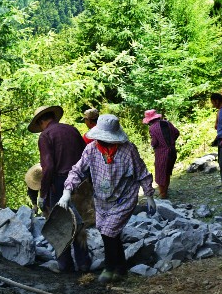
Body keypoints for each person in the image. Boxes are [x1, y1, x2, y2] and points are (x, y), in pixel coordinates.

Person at [57, 114, 156, 284]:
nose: (103, 143)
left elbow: (142, 173)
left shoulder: (128, 150)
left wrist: (149, 195)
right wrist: (67, 192)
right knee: (107, 233)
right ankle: (122, 268)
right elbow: (77, 171)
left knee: (109, 232)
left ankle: (110, 268)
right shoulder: (91, 150)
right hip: (102, 199)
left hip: (123, 198)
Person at [28, 105, 92, 272]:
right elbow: (86, 156)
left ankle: (65, 264)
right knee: (79, 222)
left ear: (42, 121)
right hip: (80, 180)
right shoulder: (72, 130)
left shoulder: (45, 136)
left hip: (60, 182)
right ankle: (84, 262)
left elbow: (48, 167)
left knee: (60, 223)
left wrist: (43, 194)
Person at [142, 109, 179, 199]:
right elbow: (177, 133)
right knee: (167, 172)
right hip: (172, 151)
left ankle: (163, 194)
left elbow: (155, 142)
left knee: (160, 174)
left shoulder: (152, 128)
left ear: (149, 120)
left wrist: (152, 145)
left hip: (162, 154)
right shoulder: (167, 123)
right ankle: (165, 191)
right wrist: (171, 142)